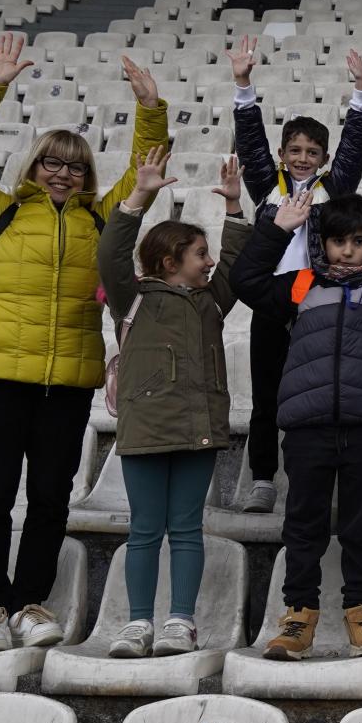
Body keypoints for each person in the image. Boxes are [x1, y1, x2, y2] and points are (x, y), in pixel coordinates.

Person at [0, 35, 168, 656]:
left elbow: (146, 172)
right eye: (52, 162)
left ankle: (30, 603)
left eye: (75, 164)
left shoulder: (102, 221)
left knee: (49, 496)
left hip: (67, 378)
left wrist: (151, 108)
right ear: (34, 167)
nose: (64, 172)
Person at [231, 185, 362, 661]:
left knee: (361, 526)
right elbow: (246, 279)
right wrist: (276, 229)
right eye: (339, 241)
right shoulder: (301, 284)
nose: (348, 251)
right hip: (307, 428)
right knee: (303, 526)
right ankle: (297, 618)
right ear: (322, 242)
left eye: (361, 241)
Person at [97, 146, 249, 658]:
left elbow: (234, 263)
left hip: (198, 428)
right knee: (144, 530)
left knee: (186, 529)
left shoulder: (210, 301)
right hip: (144, 430)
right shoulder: (133, 295)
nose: (207, 263)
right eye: (198, 255)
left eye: (206, 255)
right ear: (170, 262)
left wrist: (232, 208)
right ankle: (139, 623)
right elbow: (110, 254)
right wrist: (138, 196)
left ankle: (179, 621)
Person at [228, 36, 362, 514]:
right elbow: (250, 142)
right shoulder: (265, 187)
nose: (303, 157)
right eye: (295, 149)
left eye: (313, 151)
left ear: (323, 158)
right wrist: (243, 85)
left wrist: (360, 92)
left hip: (318, 300)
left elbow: (354, 148)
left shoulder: (332, 189)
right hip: (273, 300)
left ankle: (312, 480)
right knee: (266, 394)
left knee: (317, 390)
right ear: (283, 152)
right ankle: (263, 478)